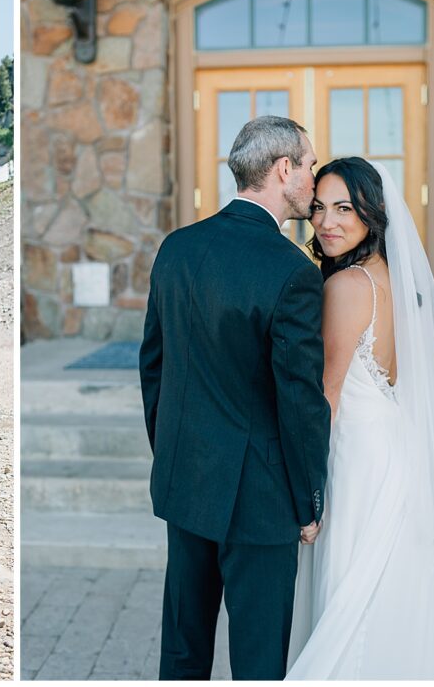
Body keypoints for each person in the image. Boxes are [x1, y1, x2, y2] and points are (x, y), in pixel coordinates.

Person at [140, 115, 331, 680]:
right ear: (283, 169)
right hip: (261, 498)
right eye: (311, 165)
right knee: (257, 661)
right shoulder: (291, 271)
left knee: (182, 648)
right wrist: (309, 500)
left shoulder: (176, 248)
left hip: (186, 482)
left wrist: (171, 454)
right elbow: (300, 400)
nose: (315, 179)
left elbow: (154, 367)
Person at [286, 157, 434, 679]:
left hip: (356, 460)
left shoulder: (345, 287)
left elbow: (328, 393)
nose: (326, 222)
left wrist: (309, 494)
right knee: (391, 583)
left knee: (352, 591)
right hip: (391, 450)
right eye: (318, 208)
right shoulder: (394, 282)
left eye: (344, 208)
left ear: (372, 213)